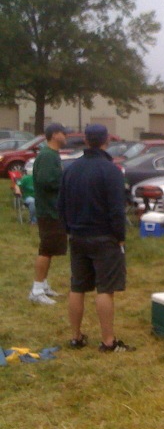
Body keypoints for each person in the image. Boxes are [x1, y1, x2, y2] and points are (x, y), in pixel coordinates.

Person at [58, 124, 134, 352]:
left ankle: (76, 337)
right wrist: (120, 237)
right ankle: (108, 341)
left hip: (78, 236)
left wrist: (68, 229)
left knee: (77, 287)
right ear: (106, 141)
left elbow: (60, 205)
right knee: (105, 289)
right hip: (104, 237)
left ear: (86, 141)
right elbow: (116, 209)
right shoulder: (110, 170)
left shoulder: (71, 169)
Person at [28, 122, 68, 305]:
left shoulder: (52, 154)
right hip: (48, 211)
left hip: (53, 210)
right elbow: (46, 181)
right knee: (46, 249)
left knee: (50, 249)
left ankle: (43, 285)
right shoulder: (47, 156)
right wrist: (65, 182)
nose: (66, 136)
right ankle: (36, 290)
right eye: (63, 133)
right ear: (54, 135)